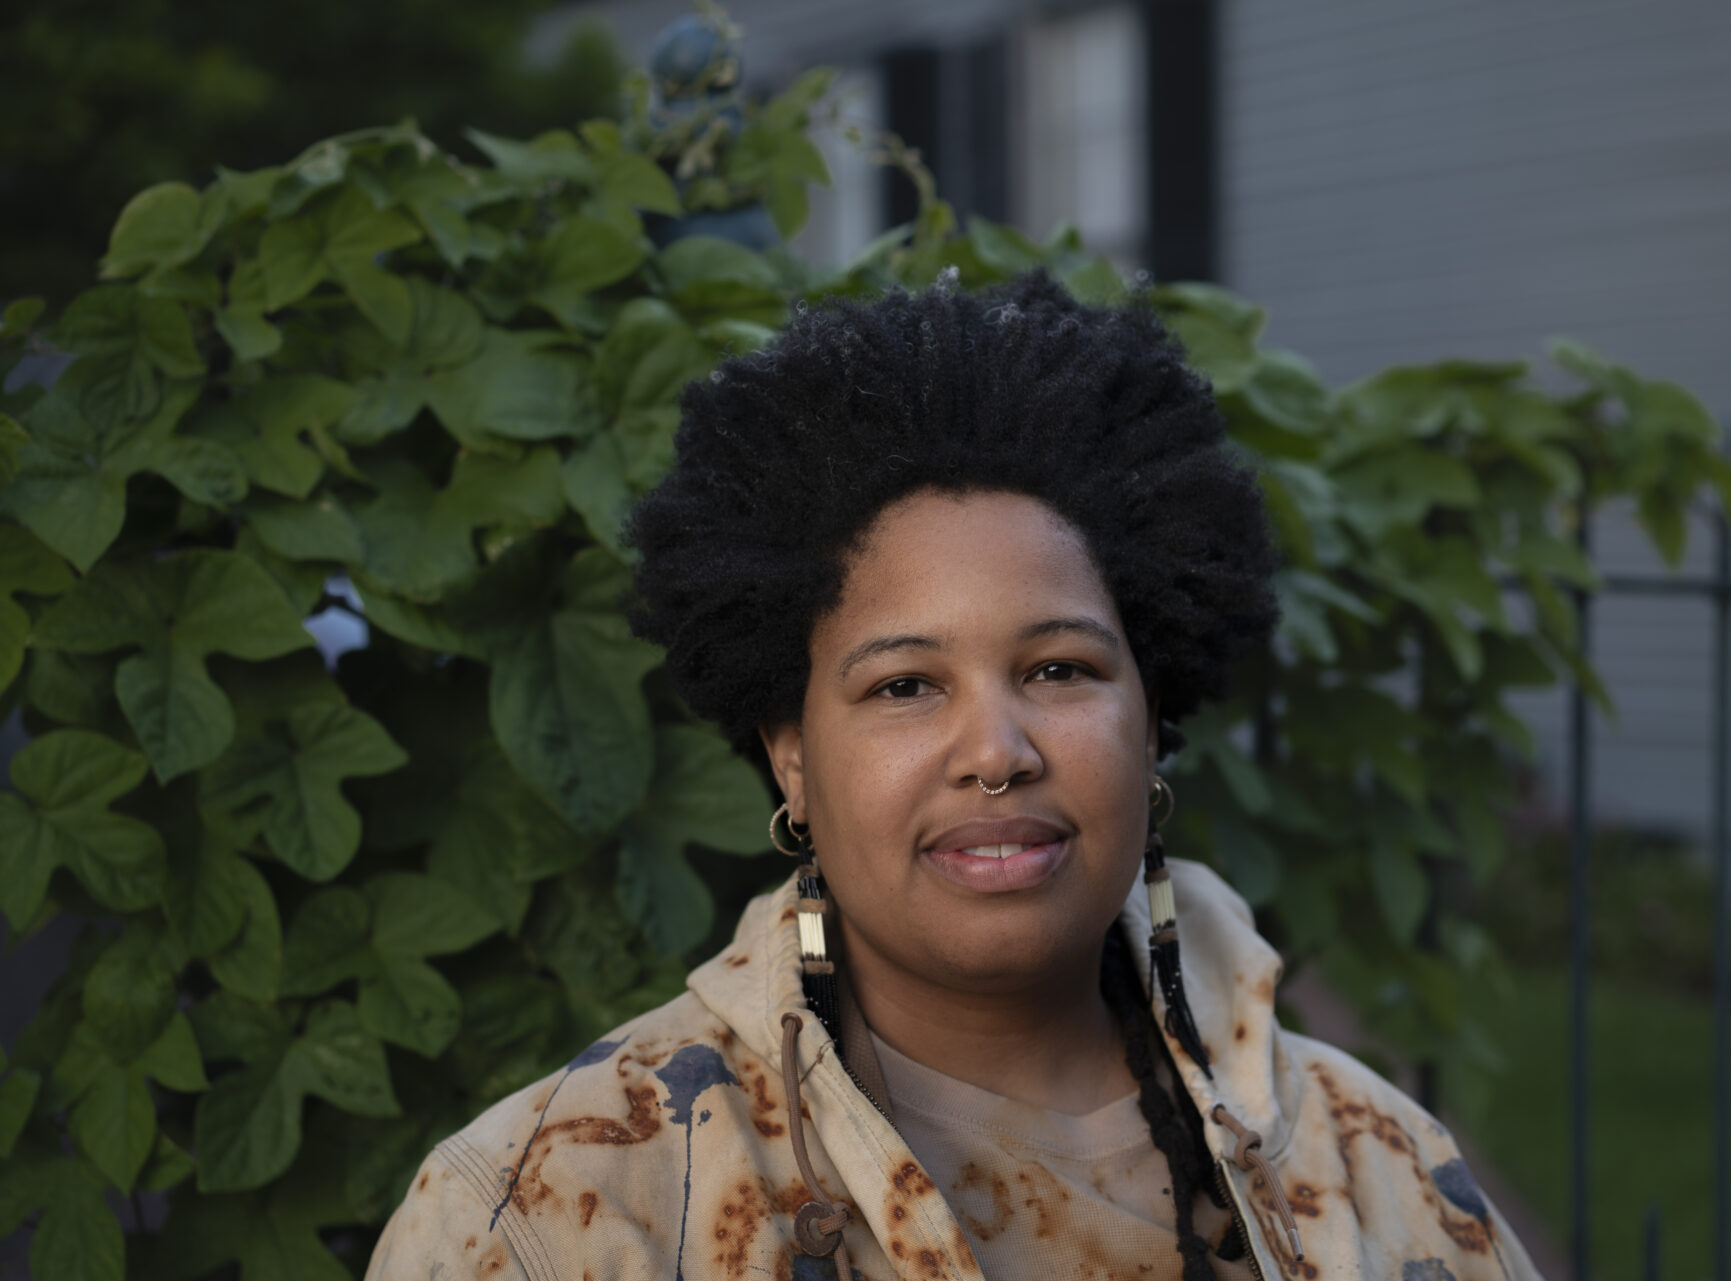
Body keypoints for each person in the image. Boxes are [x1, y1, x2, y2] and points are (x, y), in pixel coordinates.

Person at [367, 273, 1539, 1281]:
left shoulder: (1380, 1171)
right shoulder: (549, 1211)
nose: (996, 750)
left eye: (1061, 669)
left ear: (1150, 724)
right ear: (791, 757)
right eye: (904, 686)